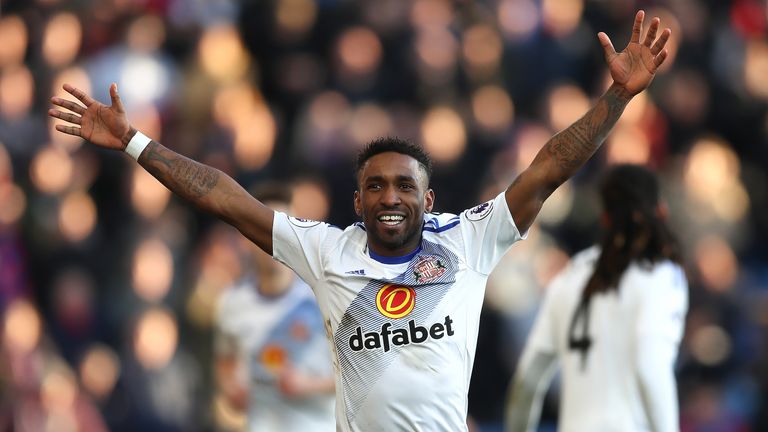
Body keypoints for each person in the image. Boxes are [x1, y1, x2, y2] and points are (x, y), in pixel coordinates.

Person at [49, 10, 671, 431]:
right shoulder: (326, 252)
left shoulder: (472, 239)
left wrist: (617, 98)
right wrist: (135, 143)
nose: (390, 196)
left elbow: (547, 169)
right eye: (375, 185)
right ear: (357, 202)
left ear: (430, 202)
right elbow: (222, 196)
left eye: (405, 184)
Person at [504, 164, 688, 432]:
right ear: (661, 211)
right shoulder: (660, 274)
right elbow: (650, 366)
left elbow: (528, 381)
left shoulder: (570, 276)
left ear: (604, 218)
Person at [213, 182, 335, 431]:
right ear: (246, 237)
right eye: (265, 229)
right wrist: (230, 390)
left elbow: (359, 372)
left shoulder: (323, 295)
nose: (276, 241)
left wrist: (308, 385)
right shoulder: (231, 302)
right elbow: (225, 359)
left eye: (285, 230)